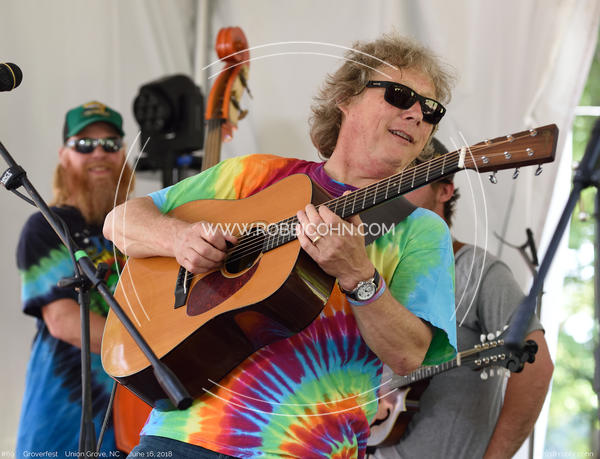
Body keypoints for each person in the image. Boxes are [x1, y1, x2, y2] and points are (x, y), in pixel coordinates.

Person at [104, 34, 457, 458]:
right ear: (346, 98)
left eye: (431, 110)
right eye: (399, 96)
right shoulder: (254, 175)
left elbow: (409, 356)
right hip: (181, 437)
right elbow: (119, 221)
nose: (417, 114)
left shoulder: (421, 229)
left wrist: (359, 276)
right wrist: (178, 238)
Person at [372, 139, 554, 459]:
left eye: (408, 176)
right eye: (389, 177)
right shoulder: (372, 270)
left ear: (444, 190)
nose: (392, 188)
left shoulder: (477, 270)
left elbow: (536, 366)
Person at [16, 101, 134, 457]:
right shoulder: (47, 226)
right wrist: (157, 353)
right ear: (63, 156)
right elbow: (65, 322)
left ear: (123, 155)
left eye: (110, 144)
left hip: (136, 414)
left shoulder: (139, 229)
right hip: (65, 419)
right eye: (84, 144)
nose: (99, 153)